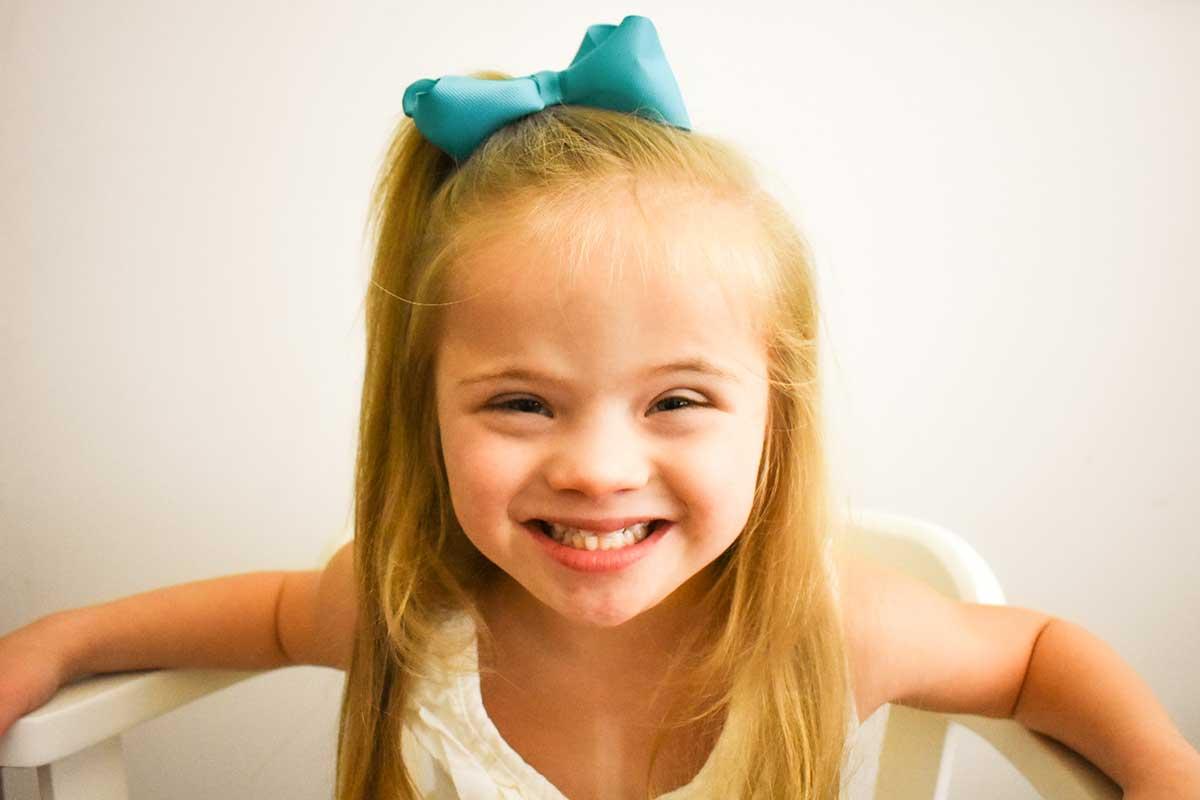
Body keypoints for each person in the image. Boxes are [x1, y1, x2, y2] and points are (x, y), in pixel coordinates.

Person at [1, 14, 1197, 800]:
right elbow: (262, 617)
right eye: (522, 401)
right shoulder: (414, 610)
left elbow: (1037, 653)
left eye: (676, 398)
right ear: (423, 415)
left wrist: (1158, 767)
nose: (597, 466)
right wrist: (56, 641)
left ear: (772, 415)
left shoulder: (828, 628)